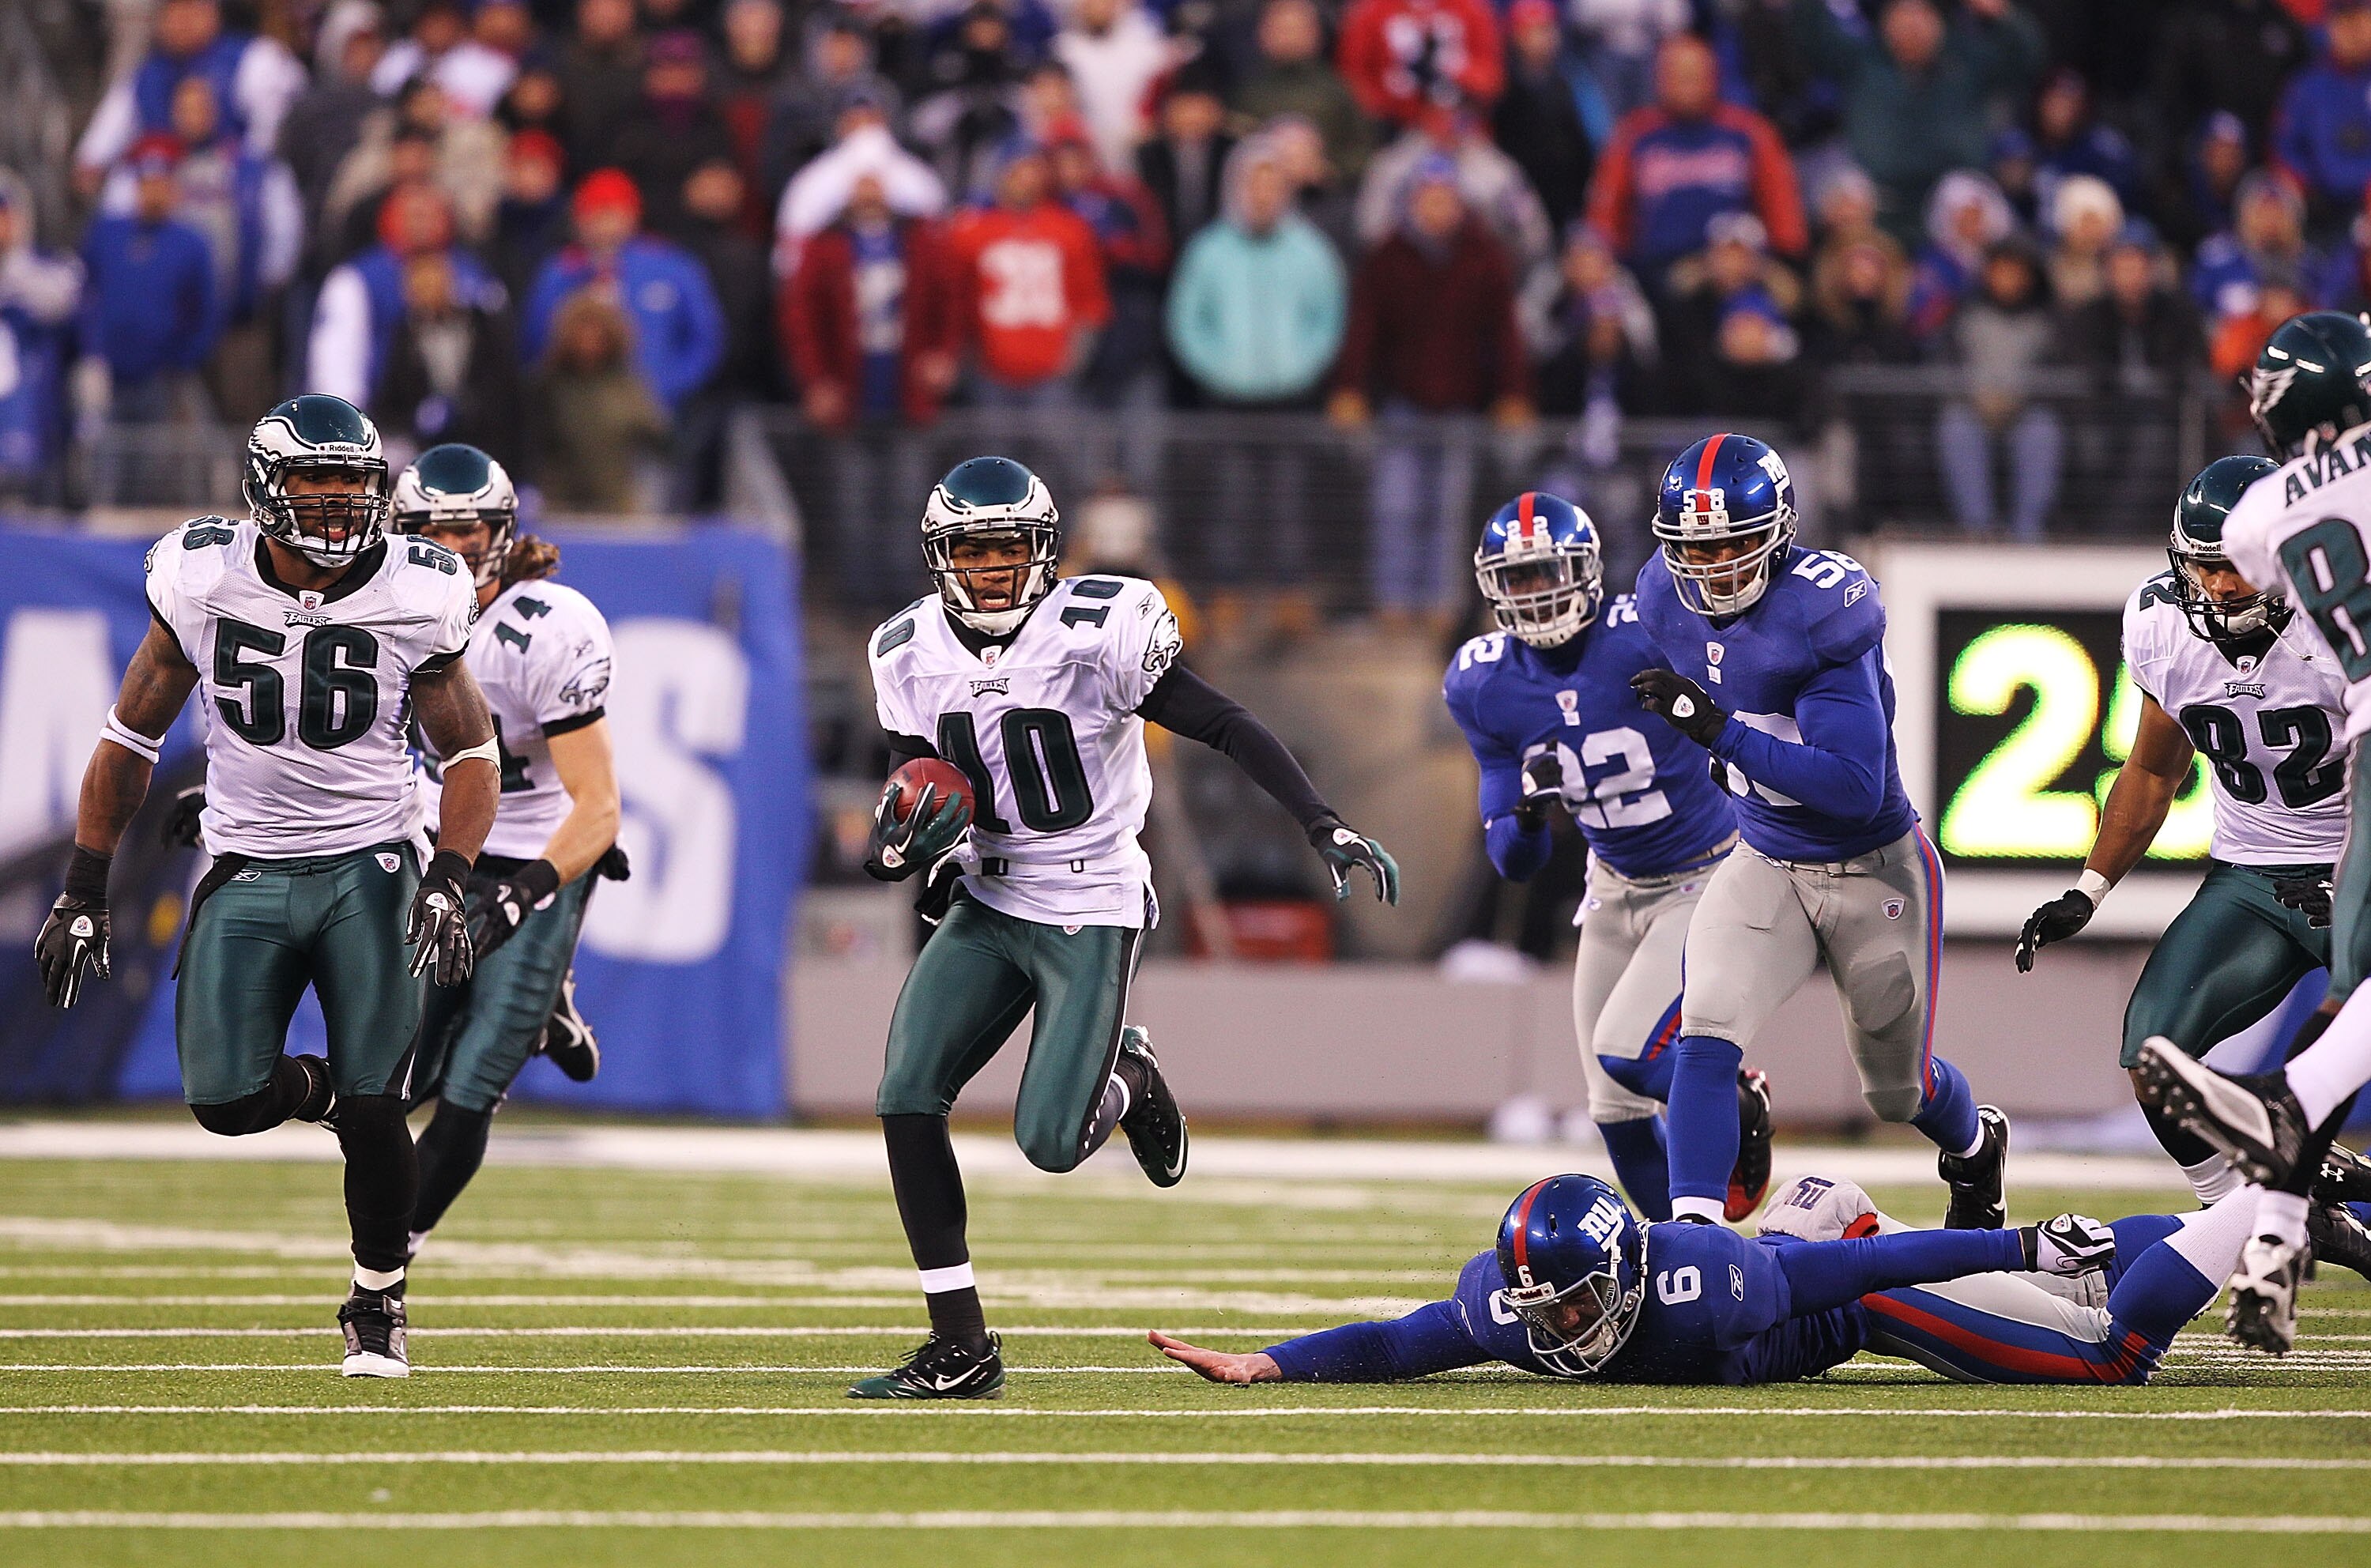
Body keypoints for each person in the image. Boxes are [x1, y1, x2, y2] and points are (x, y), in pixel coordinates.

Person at [850, 455, 1402, 1399]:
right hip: (990, 893)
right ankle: (961, 1345)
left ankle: (1131, 1073)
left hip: (1091, 897)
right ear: (941, 558)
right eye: (974, 553)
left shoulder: (1099, 626)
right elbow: (922, 777)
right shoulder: (905, 649)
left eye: (1010, 551)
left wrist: (1324, 820)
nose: (991, 571)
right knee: (905, 1093)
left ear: (1046, 552)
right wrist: (908, 839)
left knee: (1051, 1143)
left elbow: (1225, 722)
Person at [33, 394, 501, 1378]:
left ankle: (377, 1304)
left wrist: (451, 877)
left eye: (354, 483)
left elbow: (471, 756)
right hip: (245, 861)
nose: (337, 502)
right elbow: (129, 738)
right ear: (262, 488)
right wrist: (83, 886)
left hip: (371, 861)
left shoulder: (419, 590)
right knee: (225, 1098)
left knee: (381, 1102)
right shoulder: (201, 575)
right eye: (315, 480)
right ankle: (332, 1095)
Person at [1627, 432, 2007, 1228]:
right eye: (1693, 549)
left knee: (1897, 1091)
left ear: (1778, 534)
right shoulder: (1662, 597)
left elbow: (1851, 784)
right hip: (1765, 856)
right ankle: (1691, 1232)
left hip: (1871, 868)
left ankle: (1976, 1148)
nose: (1712, 566)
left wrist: (1720, 735)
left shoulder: (1821, 618)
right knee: (1707, 1024)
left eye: (1733, 543)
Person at [2017, 455, 2358, 1212]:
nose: (2222, 587)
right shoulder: (2160, 622)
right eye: (2206, 567)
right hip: (2253, 878)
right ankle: (2237, 1220)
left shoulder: (2344, 617)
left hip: (2355, 867)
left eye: (2239, 565)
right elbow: (2151, 770)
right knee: (2153, 1056)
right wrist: (2089, 889)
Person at [1148, 1170, 2268, 1390]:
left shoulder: (1705, 1283)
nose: (1563, 1326)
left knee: (2104, 1338)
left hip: (1835, 1292)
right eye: (1548, 1305)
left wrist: (2013, 1243)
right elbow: (1404, 1341)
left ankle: (2271, 1197)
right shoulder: (1514, 1306)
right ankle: (2283, 1208)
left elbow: (1869, 1267)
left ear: (1626, 1272)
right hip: (1794, 1234)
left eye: (1578, 1300)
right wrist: (1267, 1361)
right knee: (2082, 1288)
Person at [2137, 309, 2371, 1353]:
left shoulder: (2267, 516)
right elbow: (2149, 764)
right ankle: (2277, 1204)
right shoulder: (2181, 608)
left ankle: (2281, 1203)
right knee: (2163, 1040)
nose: (2225, 587)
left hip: (2358, 793)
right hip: (2267, 862)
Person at [1445, 492, 1768, 1222]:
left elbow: (1749, 674)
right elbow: (1514, 862)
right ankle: (1682, 1260)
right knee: (1613, 1107)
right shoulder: (1482, 681)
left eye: (1545, 572)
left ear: (1586, 569)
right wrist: (1528, 818)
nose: (1534, 592)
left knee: (1626, 1050)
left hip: (1707, 875)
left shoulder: (1649, 633)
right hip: (1614, 885)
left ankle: (1731, 1090)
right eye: (1517, 578)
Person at [390, 444, 622, 1262]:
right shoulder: (383, 617)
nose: (452, 549)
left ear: (501, 533)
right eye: (433, 532)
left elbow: (598, 804)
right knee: (394, 1081)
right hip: (437, 843)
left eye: (469, 530)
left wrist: (526, 891)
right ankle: (546, 1007)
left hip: (536, 856)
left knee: (467, 1090)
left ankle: (386, 1263)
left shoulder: (547, 630)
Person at [1331, 160, 1530, 626]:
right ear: (1412, 201)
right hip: (1402, 404)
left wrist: (1513, 392)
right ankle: (1396, 602)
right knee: (1396, 505)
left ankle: (1441, 604)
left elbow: (1505, 333)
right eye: (1428, 197)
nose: (1437, 208)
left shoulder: (1484, 257)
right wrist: (1350, 387)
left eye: (1446, 198)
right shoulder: (1388, 257)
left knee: (1449, 511)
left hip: (1462, 404)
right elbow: (1363, 329)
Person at [1583, 32, 1805, 287]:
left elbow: (1782, 208)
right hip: (1660, 271)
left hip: (1740, 265)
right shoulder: (1635, 135)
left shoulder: (1748, 131)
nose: (1687, 83)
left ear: (1713, 75)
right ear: (1661, 78)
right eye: (1678, 74)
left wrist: (1786, 259)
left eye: (1695, 74)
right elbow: (1604, 218)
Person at [522, 169, 726, 418]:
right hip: (576, 415)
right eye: (596, 213)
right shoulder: (560, 271)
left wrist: (669, 384)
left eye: (614, 212)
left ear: (633, 215)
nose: (605, 224)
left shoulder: (672, 265)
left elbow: (706, 339)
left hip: (660, 410)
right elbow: (534, 340)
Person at [73, 0, 307, 190]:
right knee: (123, 186)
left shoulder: (253, 57)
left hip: (231, 180)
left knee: (274, 183)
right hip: (166, 183)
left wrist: (243, 170)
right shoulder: (147, 73)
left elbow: (272, 136)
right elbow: (95, 153)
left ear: (212, 13)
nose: (180, 20)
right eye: (172, 10)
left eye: (190, 8)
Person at [944, 141, 1109, 407]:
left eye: (1033, 171)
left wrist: (1077, 355)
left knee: (1055, 444)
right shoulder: (970, 231)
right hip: (990, 367)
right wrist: (966, 355)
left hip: (1052, 367)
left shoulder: (1070, 229)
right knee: (992, 445)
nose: (1026, 181)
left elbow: (1089, 300)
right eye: (1017, 172)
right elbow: (955, 301)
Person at [77, 137, 220, 427]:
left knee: (156, 461)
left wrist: (182, 361)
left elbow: (205, 311)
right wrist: (89, 350)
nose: (154, 192)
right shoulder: (107, 233)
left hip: (163, 379)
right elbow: (84, 293)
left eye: (161, 183)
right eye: (147, 183)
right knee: (105, 462)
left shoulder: (190, 243)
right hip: (108, 374)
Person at [526, 289, 670, 513]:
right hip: (559, 506)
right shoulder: (546, 385)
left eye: (597, 334)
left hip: (616, 504)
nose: (589, 341)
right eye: (582, 331)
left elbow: (658, 436)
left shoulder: (628, 385)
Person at [1336, 0, 1503, 130]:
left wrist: (1456, 66)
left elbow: (1491, 81)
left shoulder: (1470, 10)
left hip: (1459, 127)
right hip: (1397, 126)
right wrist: (1390, 104)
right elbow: (1353, 81)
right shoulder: (1371, 12)